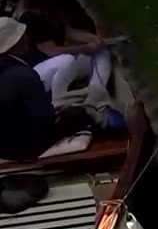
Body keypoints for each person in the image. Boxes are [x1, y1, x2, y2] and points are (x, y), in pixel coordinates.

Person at [0, 17, 92, 163]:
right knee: (80, 114)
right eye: (22, 38)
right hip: (26, 149)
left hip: (3, 147)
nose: (27, 39)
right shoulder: (24, 75)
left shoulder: (12, 72)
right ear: (14, 46)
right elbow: (44, 120)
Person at [12, 0, 111, 102]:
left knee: (101, 52)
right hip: (41, 72)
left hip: (62, 67)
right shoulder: (28, 19)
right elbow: (51, 51)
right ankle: (58, 97)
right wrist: (86, 48)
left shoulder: (44, 14)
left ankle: (97, 90)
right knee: (67, 60)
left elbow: (67, 32)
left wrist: (94, 39)